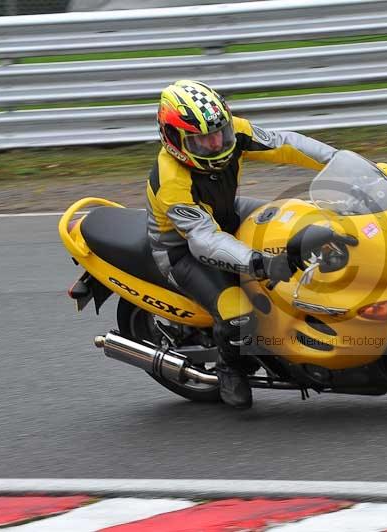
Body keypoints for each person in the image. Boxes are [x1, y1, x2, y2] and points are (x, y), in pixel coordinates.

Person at [147, 80, 337, 409]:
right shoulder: (172, 181)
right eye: (202, 140)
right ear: (174, 139)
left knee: (302, 218)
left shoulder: (231, 132)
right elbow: (204, 240)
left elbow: (284, 144)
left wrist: (338, 160)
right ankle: (229, 368)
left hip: (228, 213)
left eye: (219, 133)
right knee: (239, 313)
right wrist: (258, 262)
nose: (216, 143)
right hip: (181, 248)